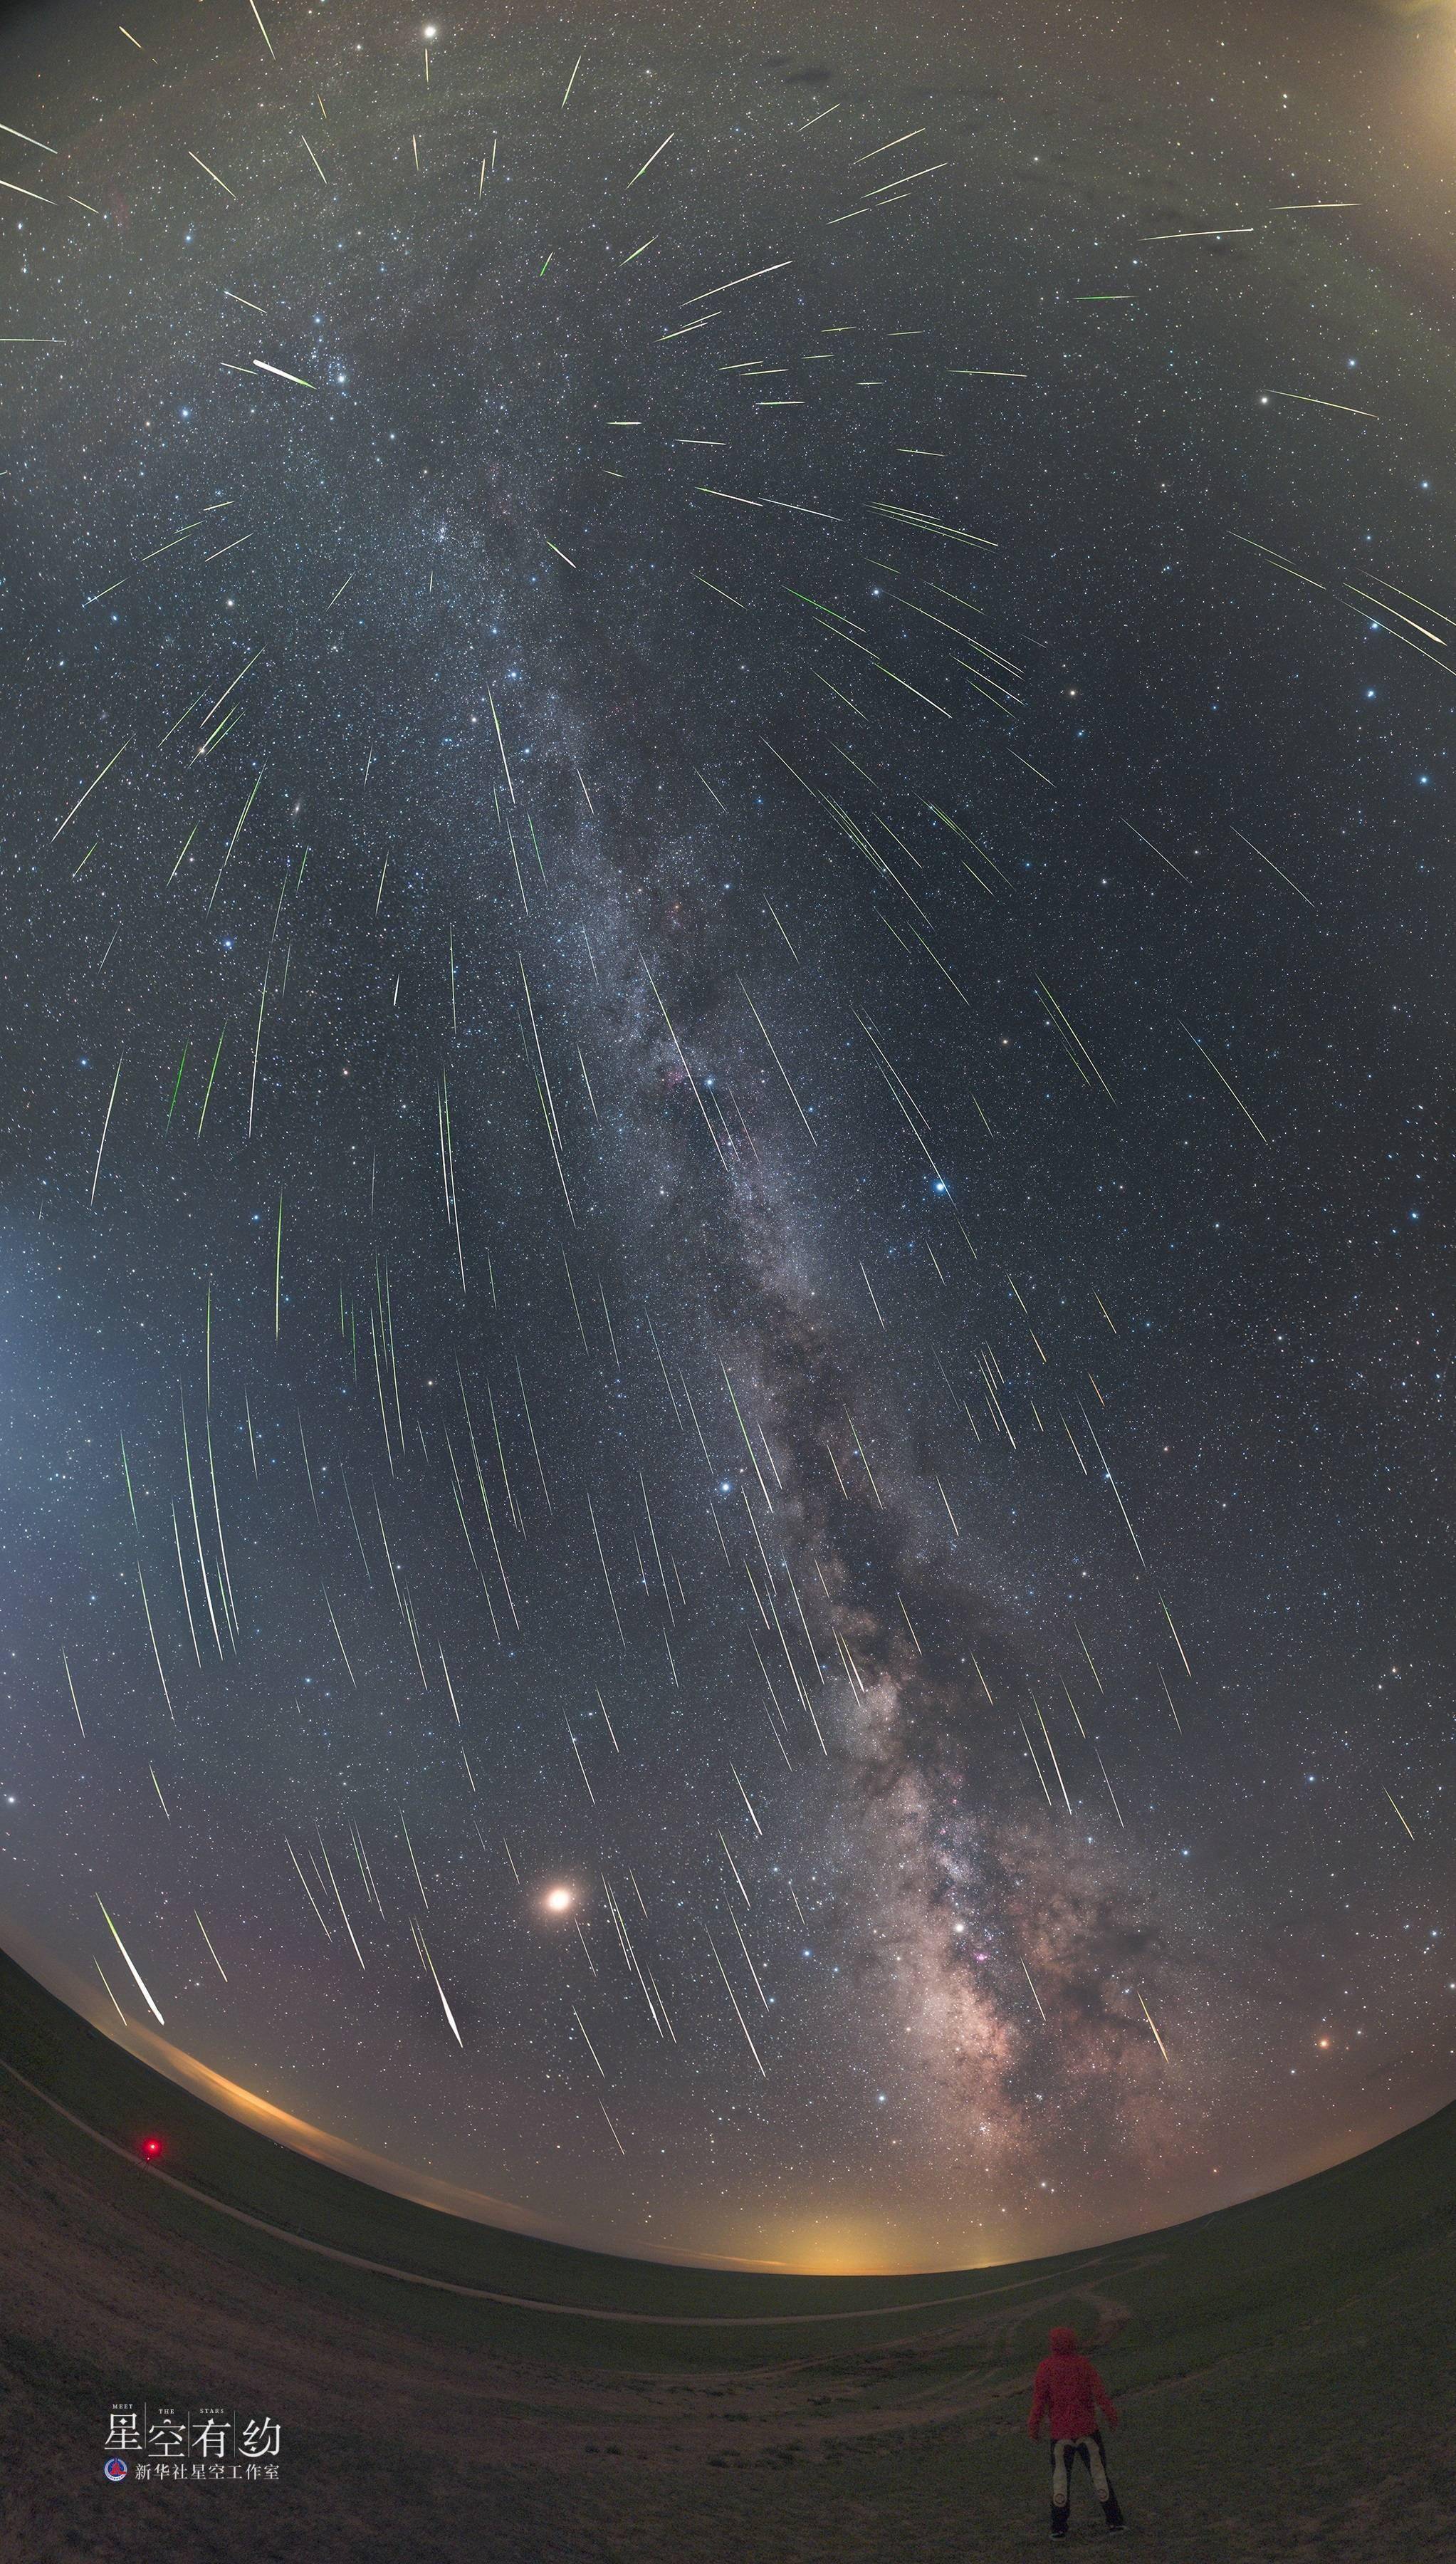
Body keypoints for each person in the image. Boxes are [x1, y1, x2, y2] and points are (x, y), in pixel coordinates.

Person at [1027, 2325, 1126, 2538]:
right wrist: (1111, 2416)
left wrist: (1034, 2427)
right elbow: (1100, 2394)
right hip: (1088, 2430)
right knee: (1099, 2476)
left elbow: (1039, 2402)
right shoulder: (1083, 2364)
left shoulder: (1045, 2368)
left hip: (1060, 2434)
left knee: (1060, 2480)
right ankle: (1115, 2522)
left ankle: (1059, 2528)